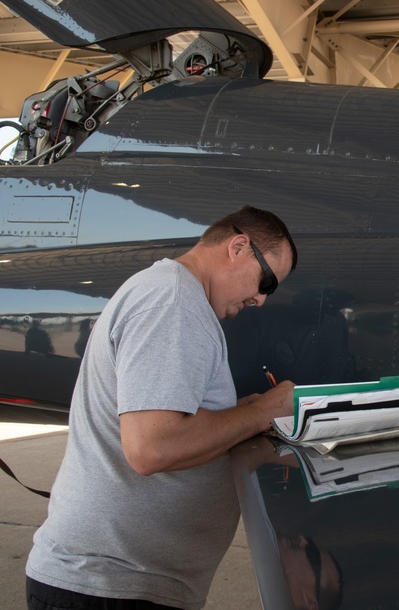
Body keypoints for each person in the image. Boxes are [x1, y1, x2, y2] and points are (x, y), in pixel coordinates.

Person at [25, 205, 299, 610]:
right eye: (268, 282)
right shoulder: (172, 303)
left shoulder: (176, 298)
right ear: (239, 247)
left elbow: (176, 420)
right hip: (106, 586)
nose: (260, 299)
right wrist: (263, 412)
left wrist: (243, 410)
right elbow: (153, 446)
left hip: (121, 585)